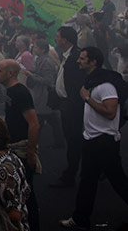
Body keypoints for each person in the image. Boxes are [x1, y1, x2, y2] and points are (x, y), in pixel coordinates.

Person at [60, 47, 128, 230]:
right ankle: (80, 218)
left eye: (82, 59)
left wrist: (88, 98)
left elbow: (110, 112)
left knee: (118, 181)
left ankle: (80, 217)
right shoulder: (92, 81)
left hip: (104, 141)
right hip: (91, 140)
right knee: (87, 180)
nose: (78, 61)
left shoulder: (105, 85)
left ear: (93, 62)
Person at [0, 59, 40, 231]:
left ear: (10, 73)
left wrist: (30, 152)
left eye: (0, 70)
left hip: (21, 148)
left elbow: (34, 123)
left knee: (26, 192)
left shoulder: (20, 92)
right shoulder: (11, 91)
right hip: (13, 146)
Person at [51, 26, 84, 188]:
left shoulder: (76, 57)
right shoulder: (67, 56)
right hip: (65, 103)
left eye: (58, 37)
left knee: (74, 139)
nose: (56, 39)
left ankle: (71, 174)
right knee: (71, 139)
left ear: (65, 40)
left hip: (72, 105)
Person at [29, 39, 64, 149]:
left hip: (45, 95)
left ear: (42, 50)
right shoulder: (40, 59)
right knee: (52, 120)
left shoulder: (47, 61)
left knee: (40, 120)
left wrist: (32, 76)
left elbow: (48, 80)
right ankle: (59, 141)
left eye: (36, 47)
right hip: (42, 95)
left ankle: (33, 144)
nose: (34, 49)